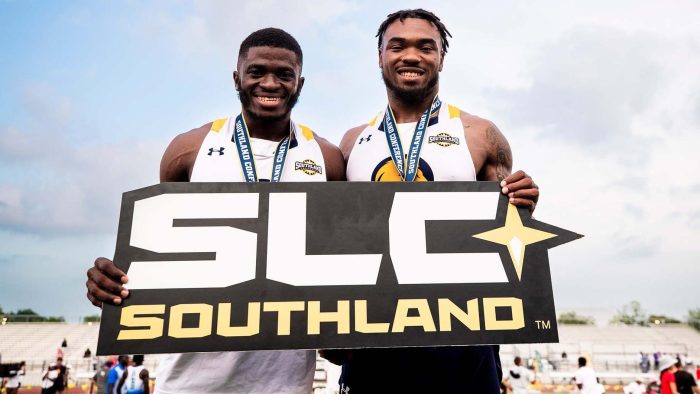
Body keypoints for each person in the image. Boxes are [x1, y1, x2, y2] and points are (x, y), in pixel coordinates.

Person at [86, 28, 345, 393]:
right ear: (236, 77)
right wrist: (112, 284)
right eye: (256, 72)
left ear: (299, 83)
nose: (270, 83)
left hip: (285, 380)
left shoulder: (327, 158)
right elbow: (159, 252)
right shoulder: (189, 150)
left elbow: (337, 261)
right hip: (192, 379)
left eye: (284, 74)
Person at [321, 8, 540, 393]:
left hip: (461, 336)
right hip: (377, 335)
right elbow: (338, 243)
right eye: (398, 46)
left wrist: (524, 204)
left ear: (441, 56)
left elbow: (511, 234)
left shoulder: (479, 134)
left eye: (426, 47)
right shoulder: (353, 142)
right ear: (380, 56)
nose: (411, 56)